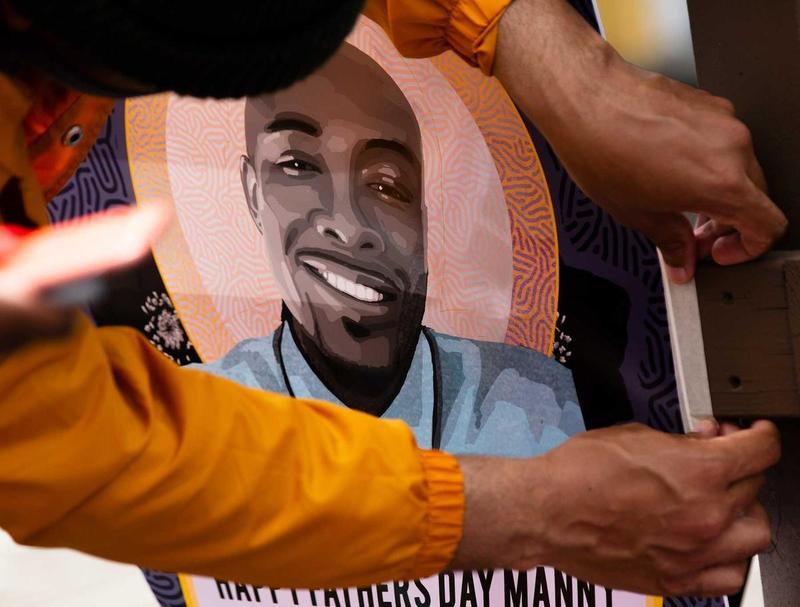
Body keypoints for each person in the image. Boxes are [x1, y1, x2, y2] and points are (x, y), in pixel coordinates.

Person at [0, 0, 784, 598]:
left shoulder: (531, 395)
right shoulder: (212, 393)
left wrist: (550, 54)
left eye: (386, 184)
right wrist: (531, 509)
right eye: (297, 168)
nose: (349, 225)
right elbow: (89, 443)